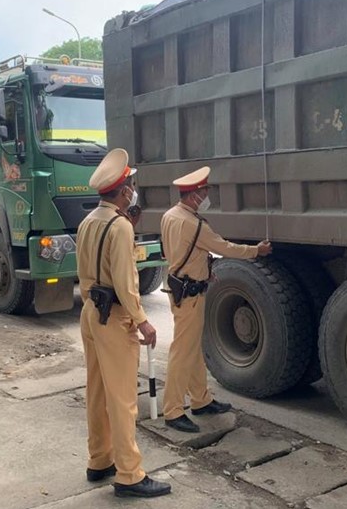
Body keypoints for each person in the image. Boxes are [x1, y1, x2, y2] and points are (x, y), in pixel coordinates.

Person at [76, 147, 171, 498]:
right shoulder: (119, 227)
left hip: (90, 313)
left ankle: (99, 459)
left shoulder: (89, 221)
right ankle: (130, 475)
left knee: (97, 390)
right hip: (114, 317)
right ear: (123, 190)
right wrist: (143, 321)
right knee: (123, 398)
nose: (132, 188)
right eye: (130, 183)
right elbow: (125, 283)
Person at [160, 166, 272, 433]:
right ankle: (173, 410)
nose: (207, 195)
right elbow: (224, 248)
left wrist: (203, 271)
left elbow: (178, 251)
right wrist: (257, 250)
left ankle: (200, 400)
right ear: (194, 195)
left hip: (180, 287)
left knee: (191, 348)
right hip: (190, 295)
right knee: (181, 352)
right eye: (204, 191)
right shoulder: (193, 223)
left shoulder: (170, 216)